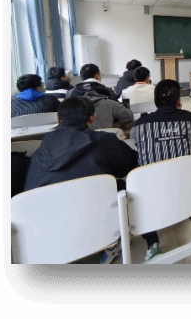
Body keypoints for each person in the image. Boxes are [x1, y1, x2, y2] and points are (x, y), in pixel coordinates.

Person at [23, 97, 138, 263]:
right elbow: (129, 164)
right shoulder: (104, 140)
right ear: (92, 118)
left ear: (58, 119)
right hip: (91, 218)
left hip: (42, 228)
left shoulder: (40, 148)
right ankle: (115, 243)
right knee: (123, 185)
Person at [131, 79, 191, 261]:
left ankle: (152, 244)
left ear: (155, 101)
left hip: (152, 196)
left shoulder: (140, 125)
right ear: (179, 101)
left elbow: (137, 143)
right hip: (188, 191)